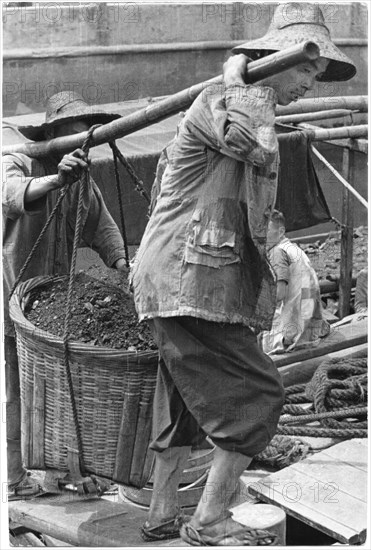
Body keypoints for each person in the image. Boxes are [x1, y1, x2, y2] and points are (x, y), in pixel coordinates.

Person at [130, 3, 356, 545]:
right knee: (259, 394)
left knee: (186, 400)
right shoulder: (221, 102)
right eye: (304, 68)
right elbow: (249, 143)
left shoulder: (244, 104)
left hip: (193, 283)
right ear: (270, 61)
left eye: (316, 73)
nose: (309, 82)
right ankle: (208, 519)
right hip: (187, 282)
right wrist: (238, 73)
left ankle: (162, 512)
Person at [2, 91, 128, 498]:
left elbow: (100, 223)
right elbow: (11, 193)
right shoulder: (19, 160)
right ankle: (15, 477)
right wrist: (56, 178)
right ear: (55, 134)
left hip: (56, 307)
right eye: (75, 134)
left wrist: (123, 263)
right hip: (15, 299)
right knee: (18, 391)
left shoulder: (82, 177)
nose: (83, 143)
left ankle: (62, 470)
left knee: (62, 389)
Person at [260, 210, 330, 354]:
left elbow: (279, 294)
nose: (261, 236)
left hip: (292, 332)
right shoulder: (294, 249)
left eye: (266, 231)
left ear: (281, 231)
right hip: (310, 325)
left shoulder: (277, 252)